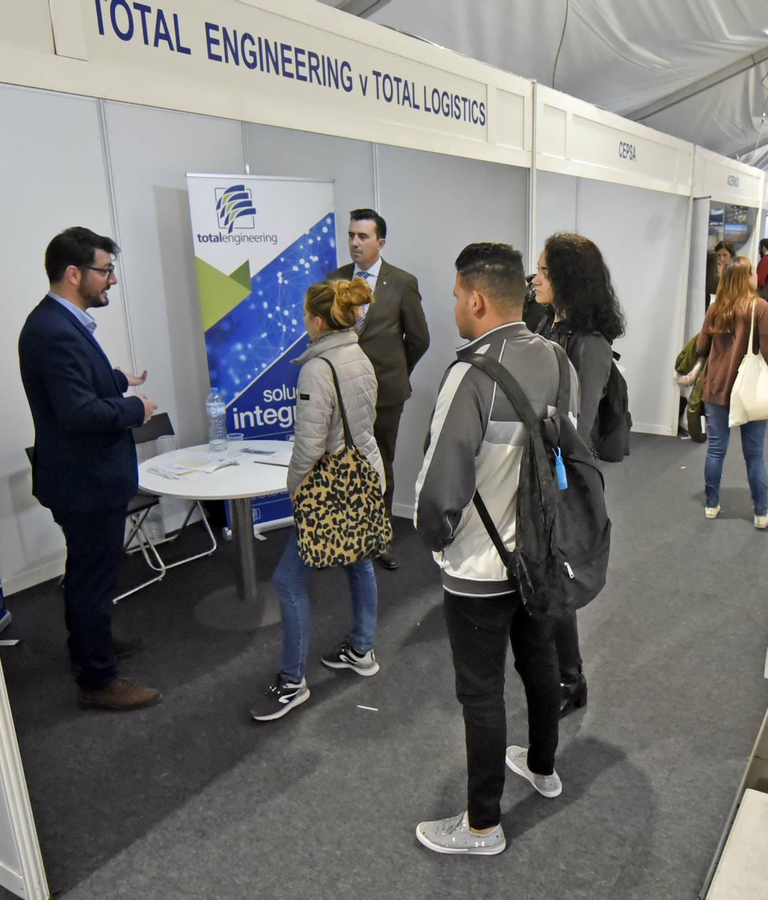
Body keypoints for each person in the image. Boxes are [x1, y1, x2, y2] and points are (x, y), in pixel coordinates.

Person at [414, 242, 574, 856]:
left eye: (456, 296)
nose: (455, 306)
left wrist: (438, 545)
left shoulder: (471, 374)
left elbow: (438, 488)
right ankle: (542, 765)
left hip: (480, 566)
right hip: (540, 557)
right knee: (539, 663)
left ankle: (482, 825)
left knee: (480, 692)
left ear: (477, 299)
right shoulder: (557, 360)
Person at [19, 227, 161, 711]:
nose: (112, 281)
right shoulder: (54, 331)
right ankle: (98, 680)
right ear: (74, 273)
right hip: (86, 481)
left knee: (89, 572)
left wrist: (119, 380)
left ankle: (90, 647)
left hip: (87, 478)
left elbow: (79, 384)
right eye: (105, 270)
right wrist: (134, 408)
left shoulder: (60, 323)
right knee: (90, 577)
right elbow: (78, 413)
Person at [249, 279, 386, 721]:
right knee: (359, 561)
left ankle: (292, 683)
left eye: (305, 315)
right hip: (364, 477)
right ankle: (361, 650)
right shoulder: (358, 356)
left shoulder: (316, 369)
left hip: (332, 491)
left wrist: (295, 489)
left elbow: (309, 447)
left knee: (288, 582)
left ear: (317, 320)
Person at [531, 232, 624, 717]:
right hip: (540, 471)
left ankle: (571, 677)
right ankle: (563, 672)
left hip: (564, 478)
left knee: (558, 576)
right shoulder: (547, 325)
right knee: (545, 576)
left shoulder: (589, 346)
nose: (536, 277)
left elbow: (577, 428)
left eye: (544, 270)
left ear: (567, 277)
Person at [326, 208, 430, 571]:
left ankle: (379, 538)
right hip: (341, 392)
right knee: (343, 463)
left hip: (385, 394)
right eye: (352, 235)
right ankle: (348, 534)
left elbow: (419, 339)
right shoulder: (335, 278)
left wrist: (396, 373)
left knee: (379, 465)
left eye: (363, 236)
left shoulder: (401, 282)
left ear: (380, 242)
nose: (355, 242)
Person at [695, 258, 768, 528]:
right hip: (750, 390)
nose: (756, 277)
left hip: (717, 387)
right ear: (746, 278)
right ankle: (760, 513)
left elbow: (700, 346)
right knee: (754, 454)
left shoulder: (716, 308)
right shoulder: (760, 307)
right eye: (753, 272)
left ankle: (711, 504)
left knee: (716, 450)